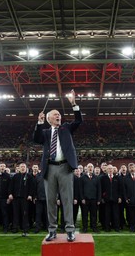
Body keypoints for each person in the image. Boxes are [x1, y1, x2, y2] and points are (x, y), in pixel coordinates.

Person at [33, 89, 82, 242]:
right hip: (50, 169)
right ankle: (52, 230)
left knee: (67, 200)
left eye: (59, 114)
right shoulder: (46, 133)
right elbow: (36, 139)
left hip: (65, 168)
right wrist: (39, 123)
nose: (58, 115)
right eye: (55, 114)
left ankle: (69, 230)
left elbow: (78, 121)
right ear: (49, 119)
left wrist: (74, 104)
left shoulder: (66, 128)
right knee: (51, 201)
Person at [9, 163, 34, 237]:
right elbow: (11, 186)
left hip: (25, 198)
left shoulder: (29, 176)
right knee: (15, 213)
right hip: (15, 198)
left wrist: (30, 195)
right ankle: (15, 227)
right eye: (21, 167)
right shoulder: (15, 176)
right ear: (19, 168)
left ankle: (25, 228)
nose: (22, 168)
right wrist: (10, 193)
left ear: (26, 168)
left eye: (24, 167)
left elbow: (32, 187)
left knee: (25, 214)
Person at [80, 163, 101, 233]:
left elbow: (99, 189)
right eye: (89, 167)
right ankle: (85, 228)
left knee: (94, 215)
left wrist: (98, 199)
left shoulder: (97, 178)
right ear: (86, 168)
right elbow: (81, 189)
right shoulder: (82, 177)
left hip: (94, 199)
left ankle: (94, 227)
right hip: (85, 200)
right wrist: (82, 198)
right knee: (84, 215)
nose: (90, 168)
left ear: (93, 168)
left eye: (91, 167)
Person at [100, 164, 122, 232]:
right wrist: (102, 197)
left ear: (113, 170)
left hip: (115, 199)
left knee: (116, 214)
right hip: (106, 200)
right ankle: (107, 228)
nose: (110, 170)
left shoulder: (117, 178)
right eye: (108, 169)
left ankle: (116, 227)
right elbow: (101, 189)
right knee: (107, 215)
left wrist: (119, 197)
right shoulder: (103, 178)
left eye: (111, 169)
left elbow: (120, 189)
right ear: (106, 170)